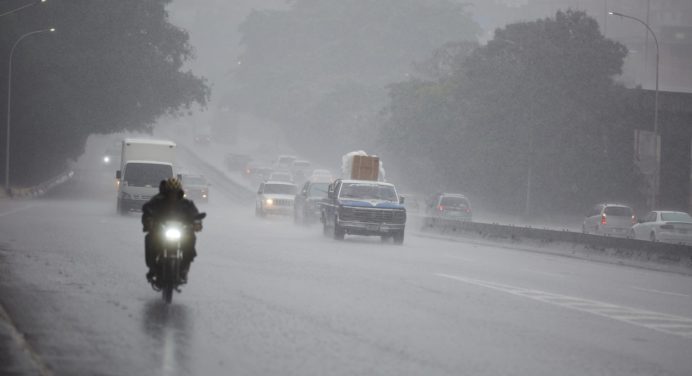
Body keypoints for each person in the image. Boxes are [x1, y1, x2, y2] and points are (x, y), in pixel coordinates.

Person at [141, 178, 202, 284]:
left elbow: (194, 213)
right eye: (170, 192)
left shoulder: (186, 203)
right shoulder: (158, 201)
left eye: (175, 192)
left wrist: (196, 223)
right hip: (161, 231)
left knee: (191, 240)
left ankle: (184, 270)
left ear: (179, 192)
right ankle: (153, 268)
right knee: (149, 239)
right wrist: (149, 221)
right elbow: (148, 210)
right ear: (166, 191)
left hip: (181, 232)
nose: (173, 195)